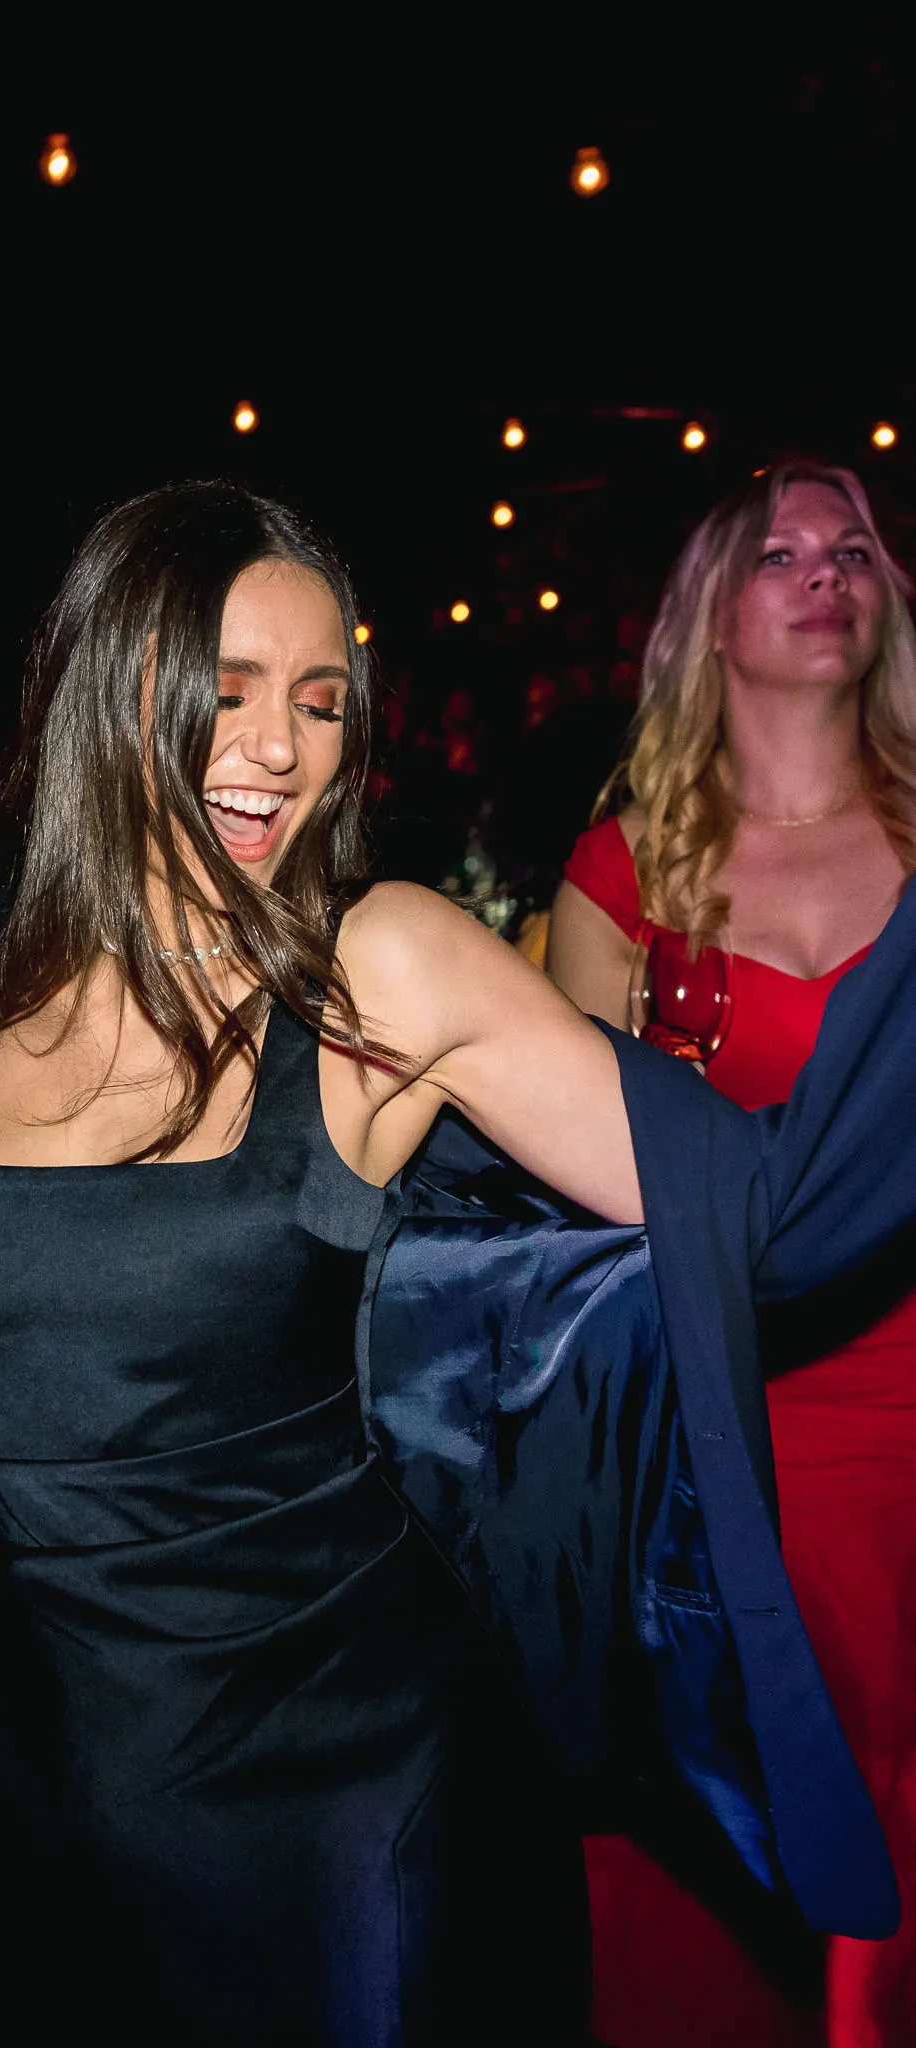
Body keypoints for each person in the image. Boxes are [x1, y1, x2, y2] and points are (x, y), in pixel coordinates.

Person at [0, 483, 915, 2044]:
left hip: (363, 1775)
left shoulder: (381, 969)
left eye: (321, 698)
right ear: (105, 683)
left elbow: (770, 1214)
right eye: (228, 685)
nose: (277, 744)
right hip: (64, 1790)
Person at [548, 459, 916, 2047]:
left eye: (854, 548)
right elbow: (567, 1234)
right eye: (780, 551)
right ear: (711, 617)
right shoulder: (621, 883)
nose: (826, 570)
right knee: (729, 1886)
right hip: (731, 1447)